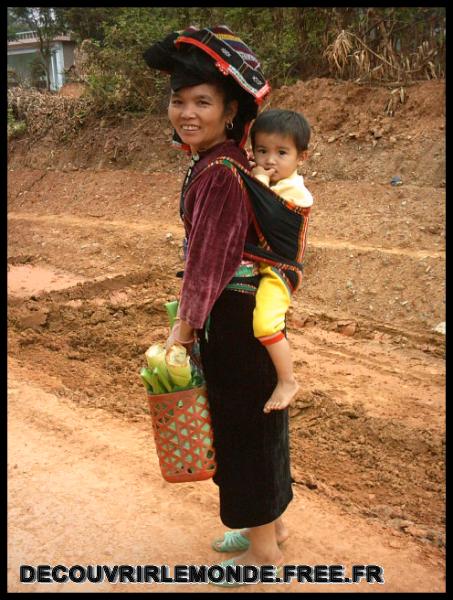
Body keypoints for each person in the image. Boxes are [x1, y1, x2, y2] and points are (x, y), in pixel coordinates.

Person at [143, 26, 292, 584]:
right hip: (240, 315)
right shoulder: (216, 161)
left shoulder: (223, 172)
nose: (187, 111)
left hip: (231, 318)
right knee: (261, 424)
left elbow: (209, 262)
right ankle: (270, 527)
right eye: (179, 100)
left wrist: (182, 331)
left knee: (242, 431)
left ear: (230, 110)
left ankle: (264, 557)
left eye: (202, 101)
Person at [249, 109, 313, 414]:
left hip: (281, 271)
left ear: (302, 157)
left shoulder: (296, 192)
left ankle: (288, 380)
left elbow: (265, 210)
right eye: (262, 151)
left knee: (265, 323)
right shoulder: (277, 184)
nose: (269, 160)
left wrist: (257, 181)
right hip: (265, 265)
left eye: (281, 152)